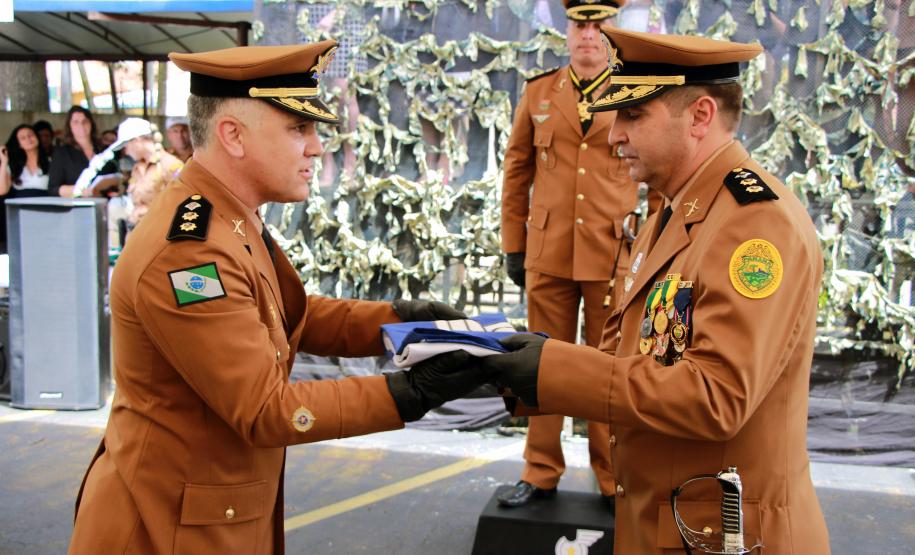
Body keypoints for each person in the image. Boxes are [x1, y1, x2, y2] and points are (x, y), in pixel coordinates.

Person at [67, 40, 486, 554]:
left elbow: (282, 317)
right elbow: (266, 408)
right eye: (299, 129)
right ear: (233, 135)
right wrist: (410, 393)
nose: (317, 147)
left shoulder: (227, 216)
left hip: (206, 515)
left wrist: (398, 321)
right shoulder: (189, 251)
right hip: (161, 531)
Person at [483, 28, 831, 552]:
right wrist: (507, 367)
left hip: (723, 534)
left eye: (633, 115)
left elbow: (716, 397)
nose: (614, 135)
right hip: (669, 522)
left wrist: (549, 368)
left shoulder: (755, 225)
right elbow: (630, 358)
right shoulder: (672, 213)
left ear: (700, 117)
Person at [497, 0, 640, 509]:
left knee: (608, 371)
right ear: (567, 29)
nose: (589, 33)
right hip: (549, 252)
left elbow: (658, 173)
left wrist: (651, 252)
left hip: (611, 254)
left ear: (614, 29)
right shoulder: (539, 92)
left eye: (599, 24)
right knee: (541, 364)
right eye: (580, 23)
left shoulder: (633, 91)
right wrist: (514, 246)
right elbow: (517, 171)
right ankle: (540, 472)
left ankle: (612, 478)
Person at [48, 106, 109, 198]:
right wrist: (79, 190)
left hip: (105, 201)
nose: (81, 125)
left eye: (85, 121)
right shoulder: (62, 153)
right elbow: (53, 188)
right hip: (76, 203)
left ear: (91, 124)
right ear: (69, 126)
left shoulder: (104, 150)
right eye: (76, 122)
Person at [1, 124, 50, 198]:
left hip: (46, 203)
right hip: (19, 204)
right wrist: (4, 162)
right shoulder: (13, 165)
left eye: (30, 135)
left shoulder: (51, 161)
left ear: (37, 137)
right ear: (19, 144)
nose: (28, 139)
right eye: (23, 138)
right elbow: (2, 190)